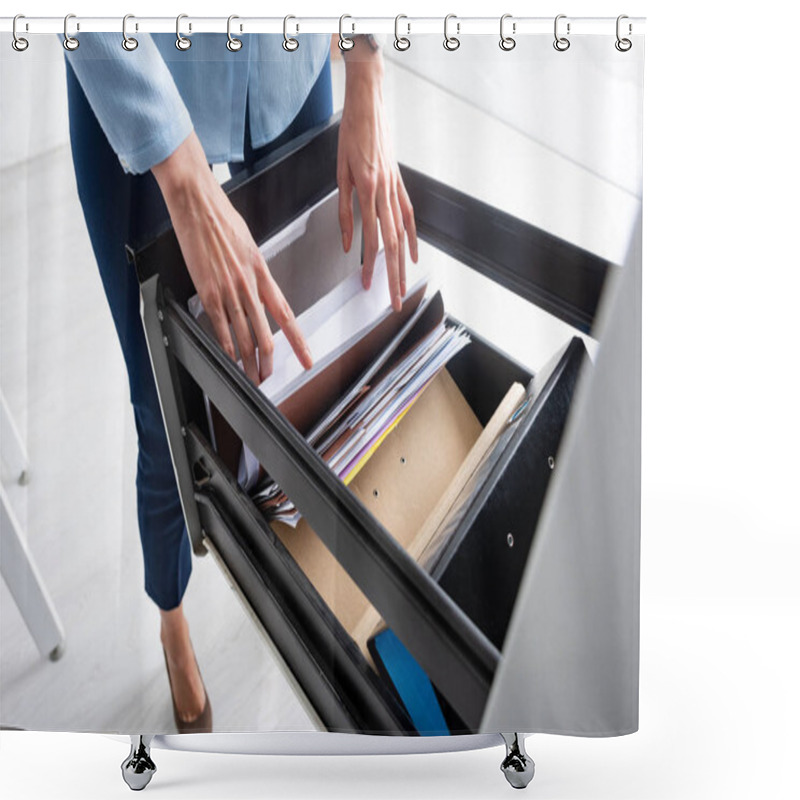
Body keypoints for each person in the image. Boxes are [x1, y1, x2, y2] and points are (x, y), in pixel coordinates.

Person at [64, 30, 418, 733]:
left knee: (317, 362)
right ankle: (170, 613)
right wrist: (184, 177)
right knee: (160, 405)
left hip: (289, 57)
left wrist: (367, 64)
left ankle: (325, 592)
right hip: (141, 70)